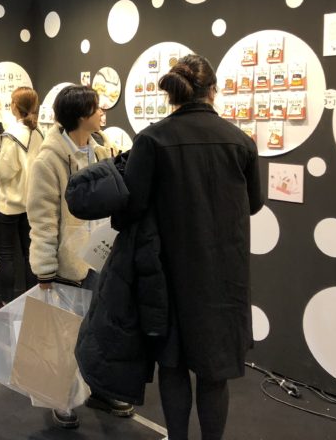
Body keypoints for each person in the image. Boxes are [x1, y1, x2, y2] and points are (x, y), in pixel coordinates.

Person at [122, 55, 263, 440]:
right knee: (215, 373)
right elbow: (254, 203)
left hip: (168, 271)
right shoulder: (240, 141)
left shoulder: (151, 139)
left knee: (173, 366)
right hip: (225, 276)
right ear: (213, 90)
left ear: (174, 93)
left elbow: (133, 206)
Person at [26, 84, 133, 429]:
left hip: (102, 257)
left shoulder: (103, 151)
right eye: (96, 108)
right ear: (81, 115)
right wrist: (45, 269)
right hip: (69, 263)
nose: (103, 112)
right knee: (64, 332)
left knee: (102, 330)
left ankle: (101, 390)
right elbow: (42, 220)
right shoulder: (49, 160)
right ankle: (62, 397)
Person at [0, 87, 43, 314]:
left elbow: (5, 168)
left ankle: (6, 305)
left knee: (6, 255)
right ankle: (33, 304)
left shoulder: (11, 136)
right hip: (32, 203)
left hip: (10, 205)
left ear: (15, 106)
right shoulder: (39, 132)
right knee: (30, 254)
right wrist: (1, 112)